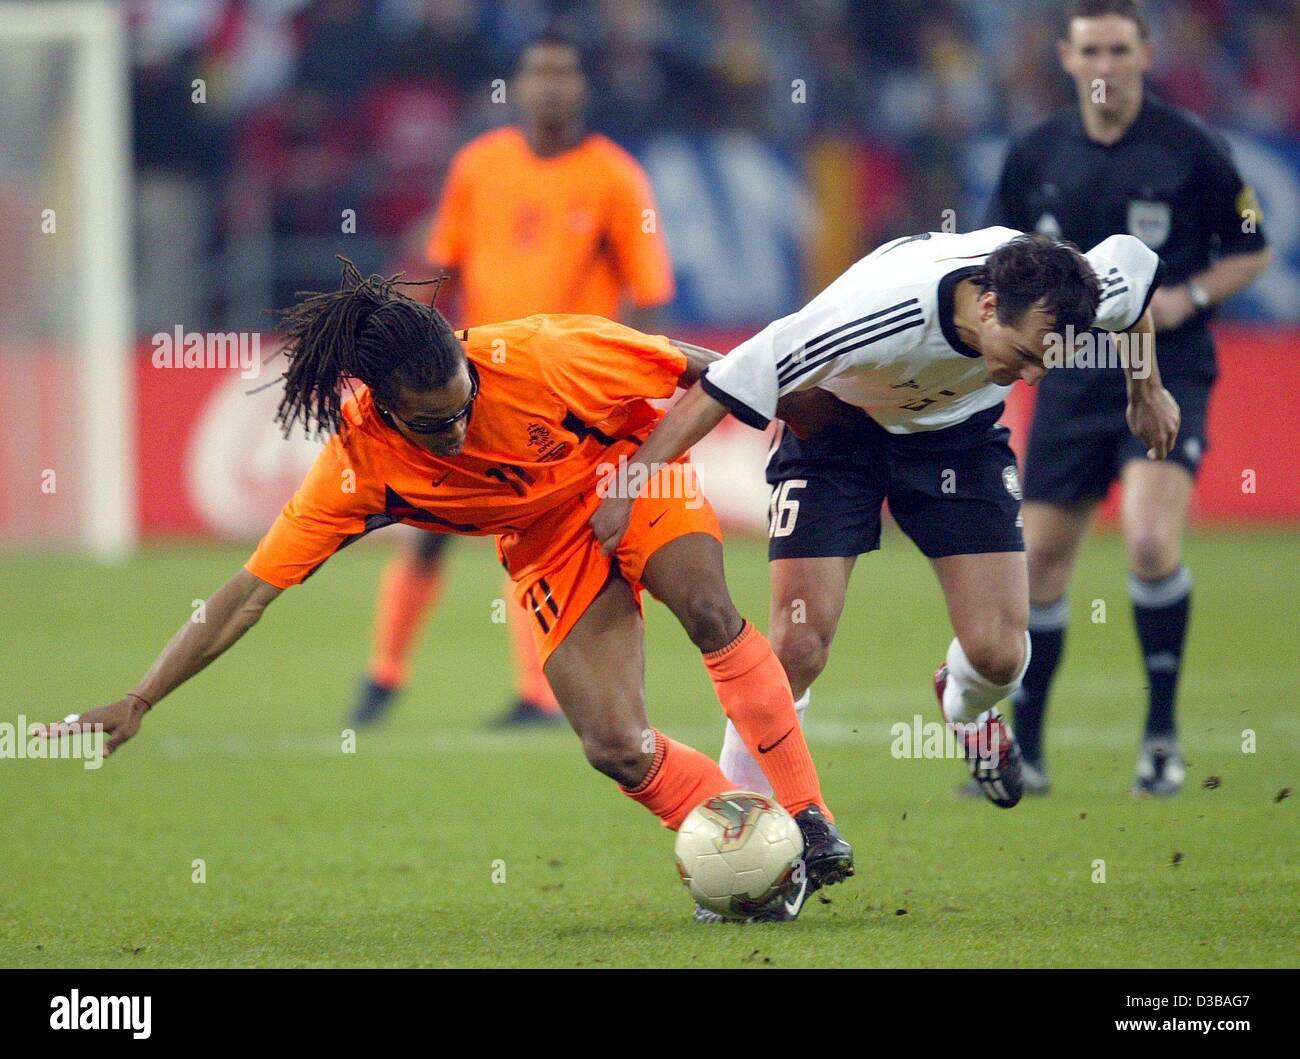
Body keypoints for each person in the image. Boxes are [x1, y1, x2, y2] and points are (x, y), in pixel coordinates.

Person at [41, 261, 851, 923]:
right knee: (613, 745)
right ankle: (752, 841)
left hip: (634, 473)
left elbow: (697, 366)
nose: (456, 429)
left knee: (706, 607)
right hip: (544, 544)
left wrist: (808, 407)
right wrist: (141, 698)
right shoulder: (358, 468)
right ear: (382, 407)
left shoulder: (542, 352)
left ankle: (809, 818)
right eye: (433, 425)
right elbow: (245, 597)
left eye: (462, 405)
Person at [592, 228, 1180, 810]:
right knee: (797, 645)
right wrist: (631, 480)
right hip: (837, 434)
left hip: (959, 440)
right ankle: (740, 823)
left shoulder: (1068, 292)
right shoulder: (879, 311)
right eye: (1025, 357)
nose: (1030, 379)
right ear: (989, 304)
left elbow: (1134, 268)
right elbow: (728, 381)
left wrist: (1145, 389)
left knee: (1000, 655)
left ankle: (964, 705)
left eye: (1048, 366)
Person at [980, 0, 1272, 795]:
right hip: (1070, 378)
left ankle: (1161, 738)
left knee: (1147, 539)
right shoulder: (1035, 153)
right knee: (1037, 562)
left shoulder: (1192, 149)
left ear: (1145, 54)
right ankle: (1027, 753)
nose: (1105, 64)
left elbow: (1253, 250)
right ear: (1068, 60)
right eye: (1091, 50)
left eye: (1119, 48)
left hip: (1169, 366)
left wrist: (1191, 298)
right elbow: (991, 263)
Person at [353, 32, 675, 729]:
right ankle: (382, 674)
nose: (551, 86)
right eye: (539, 74)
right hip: (477, 374)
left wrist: (648, 378)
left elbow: (649, 291)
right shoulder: (479, 166)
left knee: (542, 532)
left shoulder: (616, 177)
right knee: (425, 520)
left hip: (573, 391)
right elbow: (441, 267)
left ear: (582, 87)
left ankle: (538, 693)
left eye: (564, 73)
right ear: (519, 87)